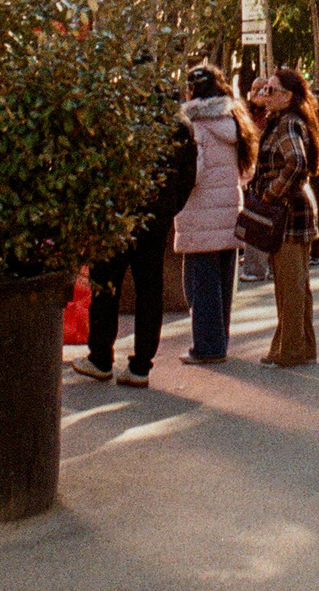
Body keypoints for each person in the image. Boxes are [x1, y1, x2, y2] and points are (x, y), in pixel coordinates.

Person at [75, 93, 196, 387]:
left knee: (106, 286)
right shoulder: (177, 125)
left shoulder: (116, 117)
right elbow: (188, 175)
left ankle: (100, 358)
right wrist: (169, 208)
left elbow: (95, 168)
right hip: (154, 219)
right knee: (149, 290)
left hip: (116, 215)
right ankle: (141, 364)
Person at [171, 65, 258, 365]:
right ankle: (219, 342)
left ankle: (208, 346)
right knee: (222, 283)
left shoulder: (195, 125)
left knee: (199, 284)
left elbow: (194, 173)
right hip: (229, 210)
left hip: (199, 214)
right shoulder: (235, 121)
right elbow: (247, 171)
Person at [245, 68, 319, 367]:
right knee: (297, 285)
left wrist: (270, 194)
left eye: (272, 90)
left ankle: (289, 349)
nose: (266, 94)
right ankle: (302, 346)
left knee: (290, 287)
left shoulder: (287, 124)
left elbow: (297, 162)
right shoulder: (284, 122)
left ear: (289, 97)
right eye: (265, 89)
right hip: (295, 210)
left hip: (289, 213)